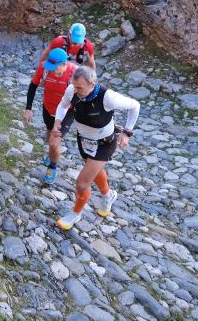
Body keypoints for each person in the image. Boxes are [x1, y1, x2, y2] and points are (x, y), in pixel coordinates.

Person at [52, 66, 140, 230]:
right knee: (95, 171)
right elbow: (63, 106)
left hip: (104, 143)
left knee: (81, 184)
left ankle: (75, 214)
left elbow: (135, 105)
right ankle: (108, 195)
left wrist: (127, 133)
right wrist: (58, 120)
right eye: (74, 86)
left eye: (80, 88)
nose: (76, 91)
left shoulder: (108, 97)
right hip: (84, 140)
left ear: (92, 84)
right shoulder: (72, 90)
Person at [23, 48, 76, 185]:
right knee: (49, 133)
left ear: (64, 64)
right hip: (48, 106)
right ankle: (52, 153)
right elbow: (33, 85)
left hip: (66, 111)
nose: (51, 70)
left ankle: (52, 167)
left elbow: (85, 94)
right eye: (50, 67)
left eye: (55, 68)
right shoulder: (44, 69)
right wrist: (28, 108)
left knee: (53, 142)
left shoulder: (74, 74)